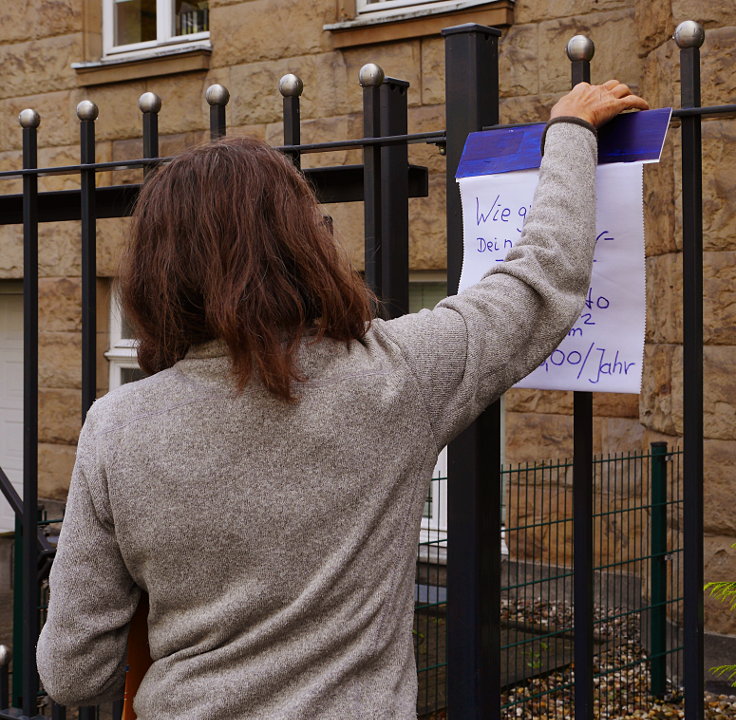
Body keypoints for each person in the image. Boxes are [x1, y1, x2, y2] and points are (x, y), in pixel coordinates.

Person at [37, 80, 647, 719]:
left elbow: (75, 677)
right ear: (305, 244)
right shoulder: (395, 373)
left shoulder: (116, 426)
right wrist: (571, 133)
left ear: (157, 273)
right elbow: (540, 283)